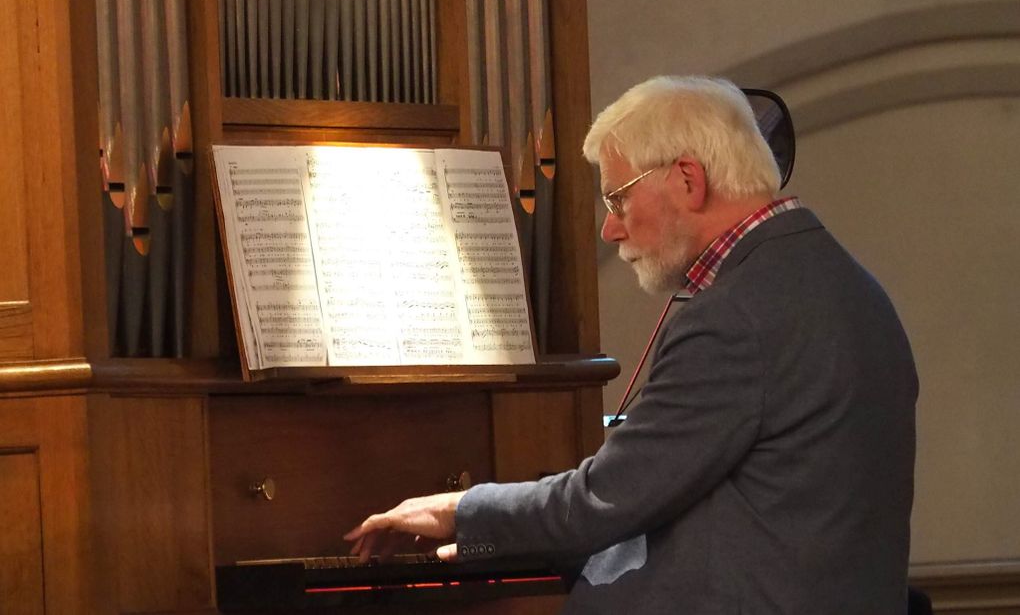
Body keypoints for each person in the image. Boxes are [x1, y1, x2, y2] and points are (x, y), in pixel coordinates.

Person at [345, 75, 918, 614]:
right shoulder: (851, 286)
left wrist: (459, 510)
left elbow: (605, 499)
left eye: (617, 200)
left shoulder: (736, 317)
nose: (609, 228)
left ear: (688, 181)